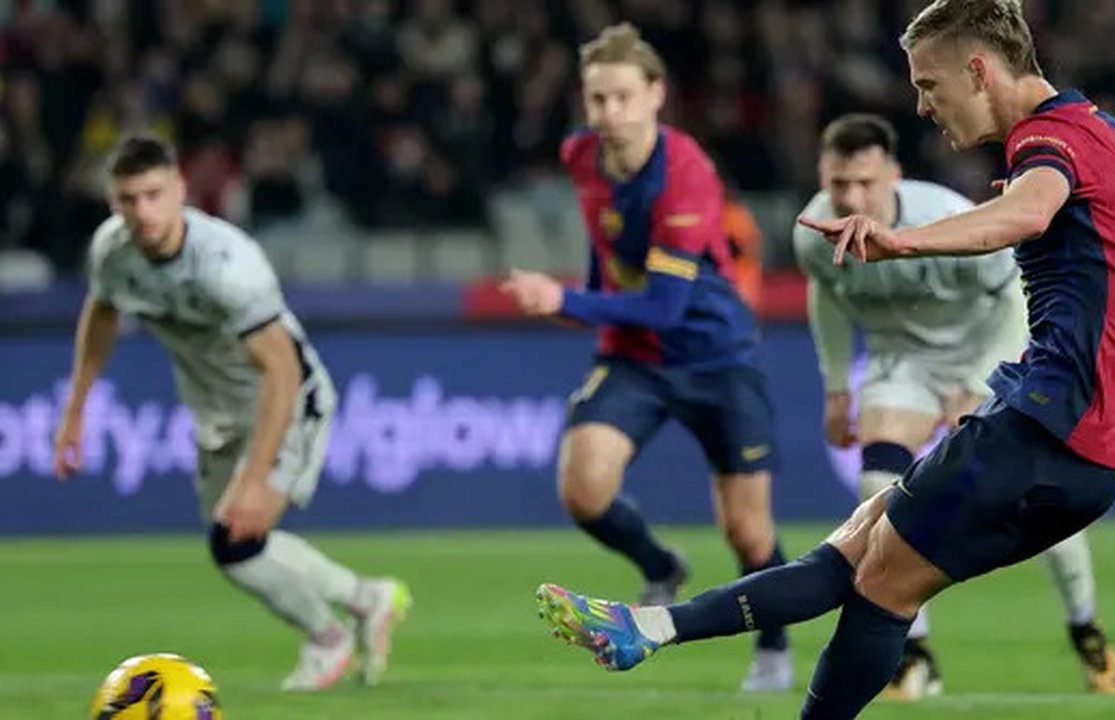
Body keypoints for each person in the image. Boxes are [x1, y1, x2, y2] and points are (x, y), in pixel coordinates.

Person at [534, 1, 1115, 717]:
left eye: (929, 86)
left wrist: (901, 241)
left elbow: (1027, 214)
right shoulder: (1101, 130)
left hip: (1052, 429)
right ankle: (649, 626)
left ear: (979, 69)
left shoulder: (1045, 142)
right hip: (1079, 435)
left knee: (882, 583)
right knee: (859, 541)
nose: (923, 106)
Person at [53, 136, 411, 692]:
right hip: (217, 411)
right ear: (112, 202)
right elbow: (101, 312)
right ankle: (369, 599)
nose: (143, 212)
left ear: (179, 190)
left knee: (236, 537)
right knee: (239, 548)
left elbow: (283, 370)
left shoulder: (228, 265)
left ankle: (327, 638)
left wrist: (255, 477)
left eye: (153, 195)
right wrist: (75, 411)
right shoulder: (112, 251)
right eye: (128, 199)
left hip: (287, 402)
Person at [499, 23, 792, 692]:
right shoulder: (580, 156)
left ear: (656, 95)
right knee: (582, 485)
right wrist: (588, 300)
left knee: (749, 534)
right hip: (634, 357)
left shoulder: (686, 176)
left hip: (717, 357)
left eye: (622, 97)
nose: (608, 115)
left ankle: (773, 644)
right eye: (597, 99)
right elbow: (608, 254)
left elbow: (665, 307)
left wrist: (563, 299)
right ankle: (661, 565)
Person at [795, 112, 1115, 698]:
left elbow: (1015, 298)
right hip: (905, 363)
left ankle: (1085, 628)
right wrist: (836, 388)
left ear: (892, 176)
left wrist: (979, 381)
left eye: (864, 184)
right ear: (823, 176)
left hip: (985, 351)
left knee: (1040, 503)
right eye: (838, 184)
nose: (850, 197)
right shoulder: (814, 233)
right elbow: (825, 296)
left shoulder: (945, 217)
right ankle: (913, 655)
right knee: (878, 477)